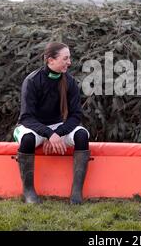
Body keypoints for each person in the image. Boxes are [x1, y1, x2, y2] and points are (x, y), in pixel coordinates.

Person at [13, 41, 90, 204]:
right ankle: (28, 192)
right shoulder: (32, 81)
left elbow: (76, 116)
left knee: (82, 135)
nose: (69, 62)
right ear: (50, 60)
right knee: (27, 140)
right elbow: (26, 117)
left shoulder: (70, 82)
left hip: (57, 128)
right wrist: (49, 134)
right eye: (65, 58)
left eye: (69, 58)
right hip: (30, 126)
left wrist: (57, 133)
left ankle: (76, 194)